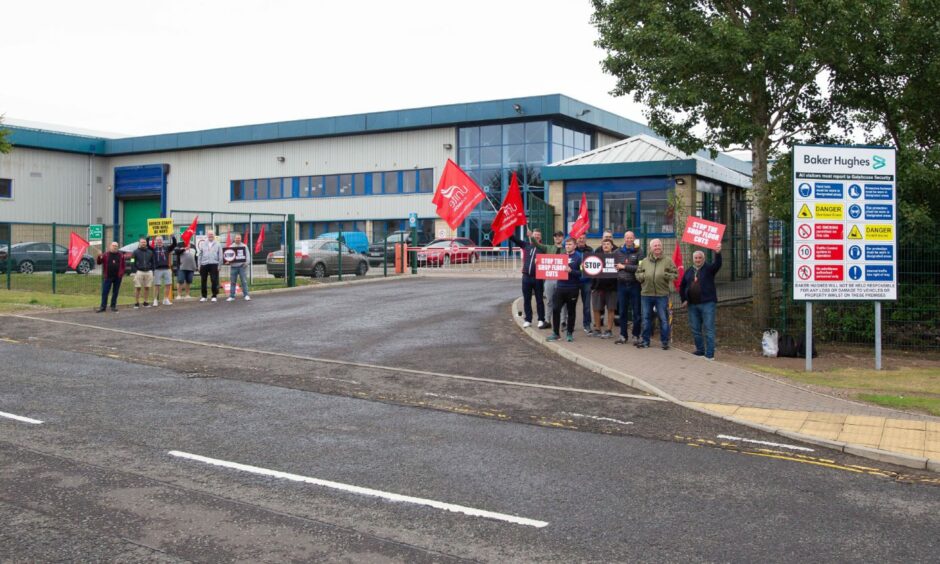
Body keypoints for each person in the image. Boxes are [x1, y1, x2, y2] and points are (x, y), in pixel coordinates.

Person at [680, 243, 723, 360]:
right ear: (693, 259)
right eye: (696, 258)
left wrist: (718, 253)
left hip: (707, 303)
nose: (698, 260)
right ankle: (700, 350)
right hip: (692, 305)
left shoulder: (709, 269)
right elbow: (682, 286)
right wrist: (684, 299)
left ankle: (709, 355)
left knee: (708, 328)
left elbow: (718, 264)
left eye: (700, 258)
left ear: (703, 259)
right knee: (695, 329)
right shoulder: (689, 271)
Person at [635, 238, 678, 350]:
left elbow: (675, 274)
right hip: (646, 294)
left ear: (661, 247)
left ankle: (664, 342)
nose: (657, 247)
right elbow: (638, 273)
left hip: (662, 294)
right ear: (651, 248)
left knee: (663, 319)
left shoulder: (668, 260)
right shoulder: (644, 261)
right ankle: (645, 341)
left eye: (659, 245)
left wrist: (665, 275)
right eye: (655, 246)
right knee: (646, 318)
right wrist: (642, 277)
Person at [509, 228, 548, 329]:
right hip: (526, 277)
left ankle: (541, 319)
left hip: (538, 277)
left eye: (538, 235)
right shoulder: (526, 245)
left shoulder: (544, 248)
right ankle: (528, 320)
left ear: (541, 237)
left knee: (539, 299)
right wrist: (508, 230)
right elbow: (513, 239)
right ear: (531, 235)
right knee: (527, 299)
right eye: (535, 234)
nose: (536, 236)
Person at [547, 238, 583, 343]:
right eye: (566, 244)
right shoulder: (561, 256)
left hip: (573, 288)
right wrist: (539, 262)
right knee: (555, 309)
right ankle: (556, 333)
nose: (567, 246)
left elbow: (582, 272)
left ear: (575, 246)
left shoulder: (579, 257)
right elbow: (550, 266)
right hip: (560, 287)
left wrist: (571, 271)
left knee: (571, 312)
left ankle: (570, 333)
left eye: (570, 244)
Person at [614, 231, 643, 345]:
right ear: (624, 239)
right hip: (621, 285)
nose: (629, 240)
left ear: (634, 239)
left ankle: (636, 336)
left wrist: (624, 267)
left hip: (635, 285)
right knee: (622, 312)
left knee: (636, 312)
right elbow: (612, 265)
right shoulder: (617, 252)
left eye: (631, 238)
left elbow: (640, 268)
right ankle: (623, 335)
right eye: (627, 238)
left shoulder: (639, 252)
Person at [589, 238, 618, 338]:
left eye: (608, 244)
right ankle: (597, 329)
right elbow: (591, 272)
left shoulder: (616, 258)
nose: (605, 245)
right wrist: (593, 286)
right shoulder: (596, 258)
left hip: (612, 288)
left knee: (611, 309)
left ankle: (609, 330)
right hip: (598, 287)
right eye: (604, 244)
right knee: (596, 309)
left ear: (612, 246)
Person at [543, 230, 565, 331]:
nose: (557, 238)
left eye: (559, 236)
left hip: (562, 279)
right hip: (550, 278)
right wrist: (531, 237)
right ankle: (547, 321)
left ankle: (563, 321)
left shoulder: (565, 249)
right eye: (555, 236)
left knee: (563, 302)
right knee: (549, 300)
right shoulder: (549, 248)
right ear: (553, 238)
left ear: (562, 238)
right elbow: (537, 245)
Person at [96, 241, 125, 312]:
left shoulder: (121, 255)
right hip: (108, 277)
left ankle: (113, 306)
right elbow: (99, 262)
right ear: (110, 246)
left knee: (115, 292)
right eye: (113, 245)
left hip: (117, 277)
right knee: (105, 292)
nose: (115, 247)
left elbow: (123, 266)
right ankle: (103, 307)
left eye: (116, 246)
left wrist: (121, 274)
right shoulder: (106, 255)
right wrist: (99, 256)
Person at [149, 235, 177, 306]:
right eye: (157, 240)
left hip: (167, 269)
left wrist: (173, 237)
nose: (159, 241)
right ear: (155, 241)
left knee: (168, 284)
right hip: (157, 269)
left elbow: (174, 244)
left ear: (162, 241)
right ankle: (155, 300)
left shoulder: (167, 248)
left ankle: (166, 299)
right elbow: (147, 246)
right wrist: (148, 237)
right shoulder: (154, 249)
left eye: (160, 240)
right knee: (157, 285)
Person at [575, 235, 594, 333]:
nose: (581, 240)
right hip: (574, 281)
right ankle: (570, 324)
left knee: (586, 305)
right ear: (576, 240)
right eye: (579, 238)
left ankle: (587, 324)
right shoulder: (573, 250)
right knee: (571, 304)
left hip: (587, 281)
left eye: (583, 238)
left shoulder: (590, 250)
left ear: (586, 239)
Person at [199, 230, 223, 302]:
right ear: (207, 235)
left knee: (214, 280)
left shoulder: (218, 244)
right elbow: (200, 255)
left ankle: (214, 295)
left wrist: (219, 266)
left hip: (214, 264)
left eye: (212, 234)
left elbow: (220, 256)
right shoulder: (203, 244)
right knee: (203, 280)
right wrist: (199, 265)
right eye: (209, 234)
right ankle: (204, 296)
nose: (210, 236)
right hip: (204, 264)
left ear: (214, 235)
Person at [226, 233, 252, 301]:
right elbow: (228, 257)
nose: (238, 239)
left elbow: (248, 257)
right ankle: (232, 296)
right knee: (232, 282)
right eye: (237, 238)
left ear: (241, 239)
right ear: (234, 239)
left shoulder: (244, 246)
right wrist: (228, 261)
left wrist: (245, 264)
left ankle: (246, 295)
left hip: (242, 267)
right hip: (233, 267)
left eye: (239, 238)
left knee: (244, 281)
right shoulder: (231, 247)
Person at [131, 237, 155, 309]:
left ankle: (145, 302)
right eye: (142, 242)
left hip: (148, 272)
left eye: (144, 242)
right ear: (139, 243)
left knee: (147, 287)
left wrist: (152, 270)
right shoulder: (135, 252)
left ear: (146, 243)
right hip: (139, 271)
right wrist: (134, 270)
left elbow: (153, 262)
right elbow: (132, 261)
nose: (143, 243)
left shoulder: (150, 252)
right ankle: (136, 303)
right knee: (137, 288)